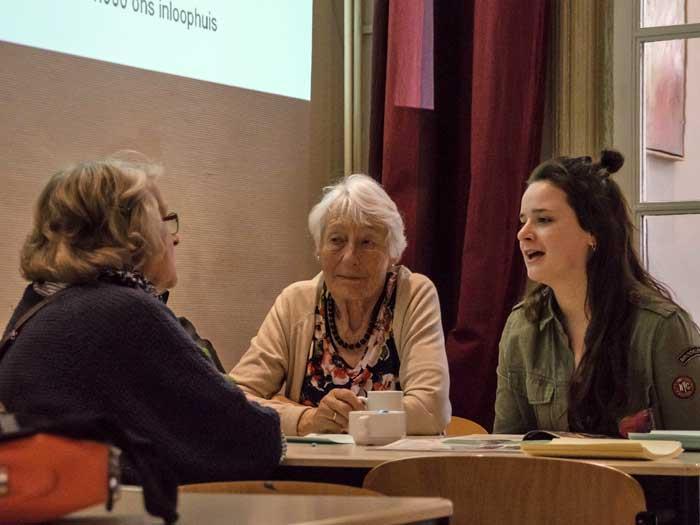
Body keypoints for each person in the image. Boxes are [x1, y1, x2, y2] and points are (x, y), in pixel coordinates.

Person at [0, 154, 283, 483]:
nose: (176, 238)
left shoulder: (37, 305)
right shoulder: (123, 311)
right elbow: (251, 438)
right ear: (136, 232)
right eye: (166, 220)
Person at [494, 150, 700, 436]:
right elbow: (509, 449)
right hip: (553, 482)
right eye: (523, 220)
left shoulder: (662, 328)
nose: (523, 234)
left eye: (543, 220)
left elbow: (694, 455)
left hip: (638, 483)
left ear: (592, 232)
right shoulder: (521, 328)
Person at [231, 174, 451, 436]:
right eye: (336, 240)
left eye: (367, 242)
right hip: (310, 475)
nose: (349, 257)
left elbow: (430, 410)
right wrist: (307, 419)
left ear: (393, 252)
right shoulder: (295, 303)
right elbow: (234, 400)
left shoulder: (413, 294)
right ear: (319, 248)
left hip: (393, 473)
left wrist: (328, 414)